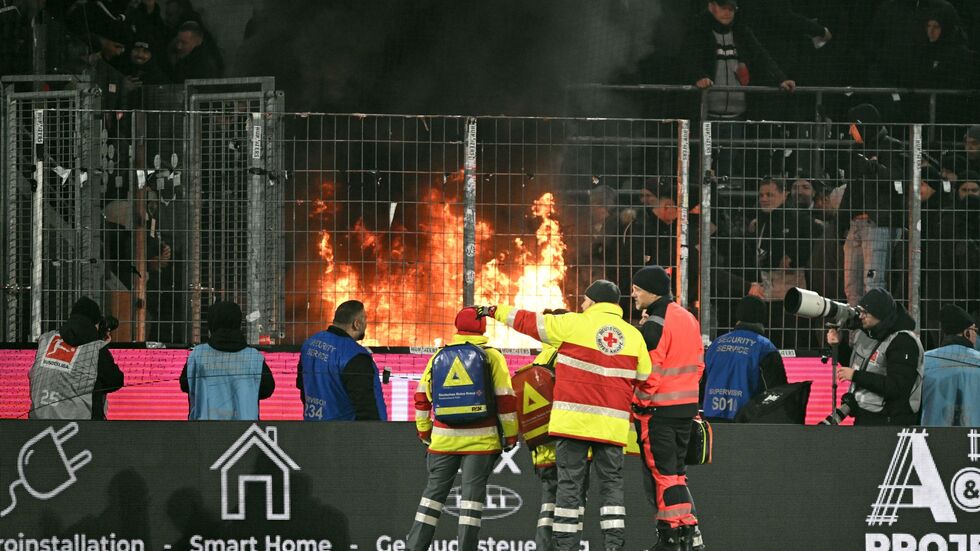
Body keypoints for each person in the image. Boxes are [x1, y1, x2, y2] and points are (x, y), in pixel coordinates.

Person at [477, 280, 651, 551]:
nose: (581, 305)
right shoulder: (634, 336)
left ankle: (565, 546)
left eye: (584, 300)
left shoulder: (572, 324)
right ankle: (615, 545)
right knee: (612, 489)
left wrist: (492, 310)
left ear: (592, 302)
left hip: (573, 425)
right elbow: (643, 377)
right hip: (612, 428)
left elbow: (526, 321)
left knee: (569, 487)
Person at [406, 307, 518, 551]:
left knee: (431, 498)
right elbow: (505, 400)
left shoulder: (439, 356)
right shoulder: (492, 356)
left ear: (457, 326)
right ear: (483, 328)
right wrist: (510, 435)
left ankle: (414, 546)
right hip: (481, 443)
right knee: (471, 504)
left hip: (442, 442)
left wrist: (425, 432)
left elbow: (421, 397)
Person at [629, 266, 705, 551]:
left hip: (658, 413)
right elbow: (698, 365)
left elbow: (650, 371)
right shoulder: (687, 317)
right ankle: (685, 532)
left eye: (636, 287)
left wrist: (639, 404)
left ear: (651, 290)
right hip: (685, 410)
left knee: (663, 476)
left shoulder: (655, 322)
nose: (633, 292)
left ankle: (670, 537)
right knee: (676, 474)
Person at [826, 288, 924, 425]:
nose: (861, 316)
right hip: (865, 416)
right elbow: (855, 366)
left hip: (890, 422)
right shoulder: (868, 333)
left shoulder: (904, 341)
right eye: (860, 311)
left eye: (866, 313)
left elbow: (896, 387)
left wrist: (855, 375)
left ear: (880, 314)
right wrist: (838, 345)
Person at [29, 297, 124, 420]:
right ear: (95, 324)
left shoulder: (46, 339)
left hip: (36, 422)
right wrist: (102, 345)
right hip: (78, 429)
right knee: (98, 382)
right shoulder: (95, 348)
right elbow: (115, 381)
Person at [179, 301, 274, 420]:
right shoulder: (254, 357)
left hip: (204, 431)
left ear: (211, 324)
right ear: (238, 323)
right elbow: (267, 390)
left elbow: (185, 385)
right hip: (244, 432)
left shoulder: (198, 355)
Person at [296, 300, 388, 421]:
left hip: (313, 428)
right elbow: (367, 409)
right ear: (357, 324)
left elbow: (302, 385)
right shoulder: (355, 356)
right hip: (344, 435)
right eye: (365, 319)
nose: (366, 323)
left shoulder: (309, 343)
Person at [702, 296, 788, 422]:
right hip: (747, 423)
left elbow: (703, 381)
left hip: (712, 418)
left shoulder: (716, 344)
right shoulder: (765, 347)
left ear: (738, 316)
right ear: (763, 318)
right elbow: (778, 392)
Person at [920, 305, 980, 426]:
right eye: (974, 330)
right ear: (967, 333)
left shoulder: (924, 360)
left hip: (933, 435)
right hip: (974, 436)